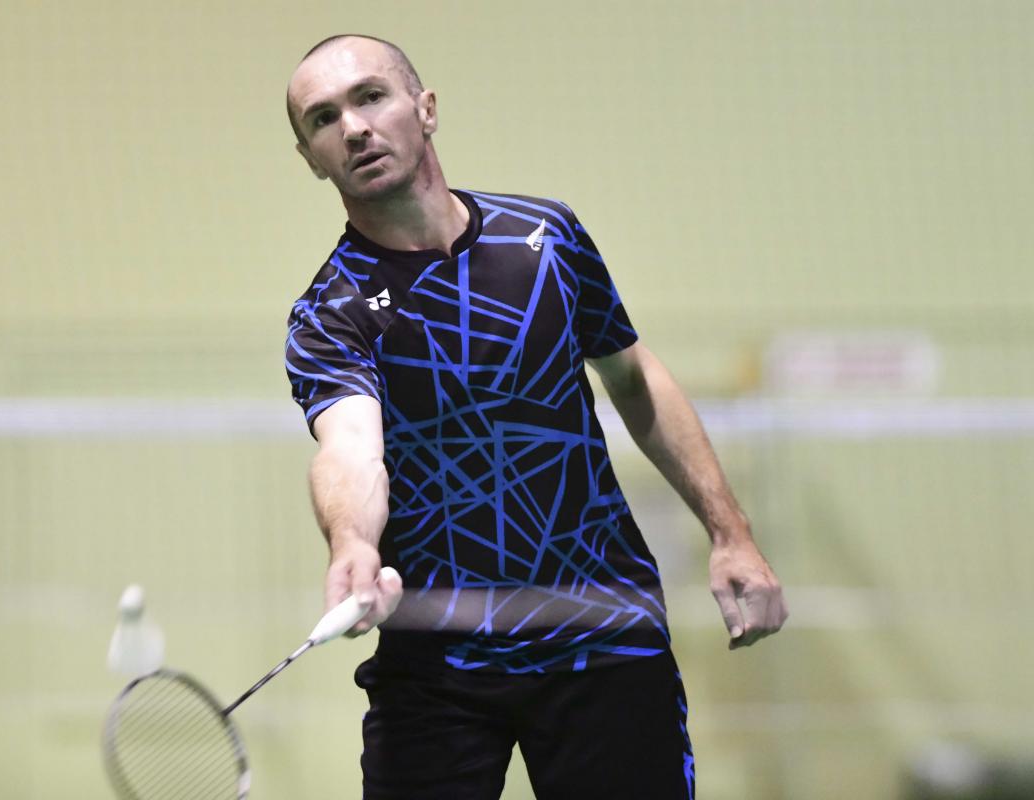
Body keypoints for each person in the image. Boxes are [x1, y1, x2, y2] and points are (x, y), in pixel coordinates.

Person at [283, 34, 787, 799]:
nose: (352, 127)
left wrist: (730, 533)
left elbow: (635, 377)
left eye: (370, 97)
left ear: (425, 108)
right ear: (310, 157)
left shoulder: (545, 240)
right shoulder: (331, 312)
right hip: (437, 658)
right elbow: (351, 444)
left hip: (601, 632)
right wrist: (351, 541)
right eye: (323, 119)